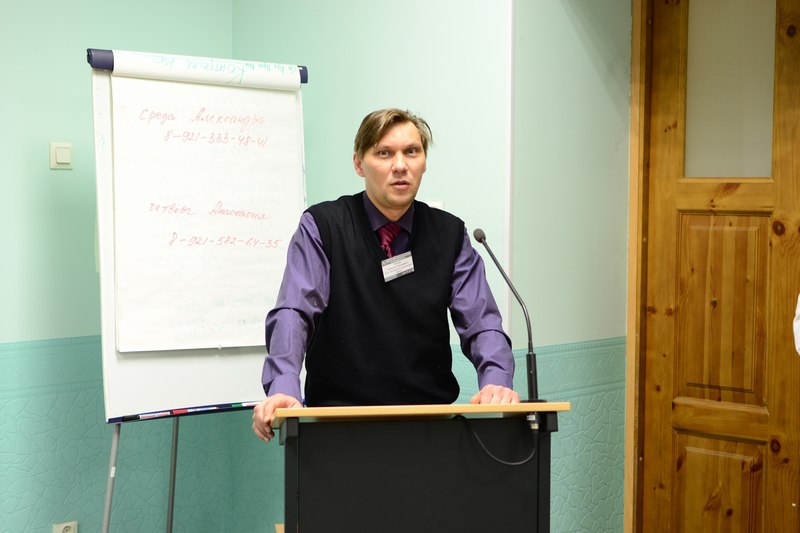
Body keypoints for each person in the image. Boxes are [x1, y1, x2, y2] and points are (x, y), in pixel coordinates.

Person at [252, 108, 518, 443]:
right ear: (358, 164)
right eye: (384, 153)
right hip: (337, 429)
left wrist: (496, 381)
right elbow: (294, 311)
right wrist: (283, 387)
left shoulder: (450, 234)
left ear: (424, 162)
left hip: (431, 429)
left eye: (412, 151)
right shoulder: (323, 227)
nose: (400, 165)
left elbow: (482, 323)